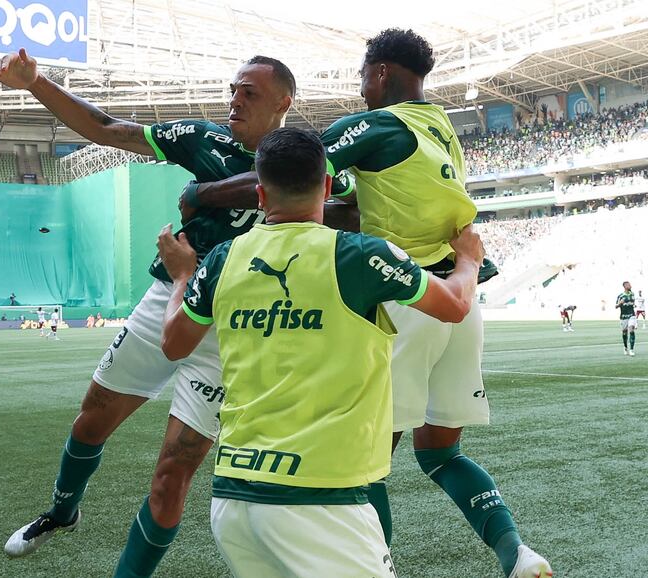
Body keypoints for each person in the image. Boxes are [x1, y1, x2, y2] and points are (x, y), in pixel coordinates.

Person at [183, 29, 550, 578]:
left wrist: (202, 194)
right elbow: (361, 199)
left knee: (367, 465)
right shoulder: (442, 128)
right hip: (461, 296)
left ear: (380, 73)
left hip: (408, 296)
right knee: (441, 452)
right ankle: (517, 554)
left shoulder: (381, 124)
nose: (359, 89)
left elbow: (294, 168)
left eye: (361, 77)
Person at [0, 49, 351, 574]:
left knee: (172, 472)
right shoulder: (204, 140)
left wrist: (208, 194)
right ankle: (62, 514)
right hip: (166, 301)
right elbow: (110, 129)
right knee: (92, 418)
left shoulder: (307, 160)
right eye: (234, 89)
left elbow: (347, 208)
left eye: (250, 92)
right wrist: (36, 81)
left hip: (235, 330)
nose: (235, 100)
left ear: (284, 101)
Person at [158, 127, 484, 577]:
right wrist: (469, 260)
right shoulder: (357, 254)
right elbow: (454, 305)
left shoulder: (222, 260)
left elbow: (173, 344)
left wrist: (181, 279)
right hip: (320, 501)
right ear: (327, 186)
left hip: (233, 499)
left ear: (259, 193)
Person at [616, 281, 637, 356]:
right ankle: (625, 347)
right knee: (624, 333)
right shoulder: (620, 296)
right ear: (625, 286)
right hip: (623, 317)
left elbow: (633, 304)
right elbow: (616, 306)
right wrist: (620, 303)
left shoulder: (632, 294)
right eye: (629, 285)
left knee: (631, 330)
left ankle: (631, 349)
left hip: (631, 315)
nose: (630, 285)